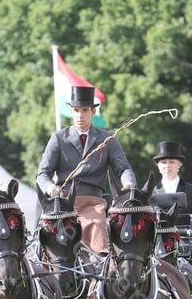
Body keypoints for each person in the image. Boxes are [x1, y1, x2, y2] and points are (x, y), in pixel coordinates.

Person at [36, 86, 137, 255]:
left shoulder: (108, 139)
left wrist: (128, 184)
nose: (80, 115)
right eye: (76, 110)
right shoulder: (58, 138)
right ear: (71, 111)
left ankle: (99, 266)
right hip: (63, 203)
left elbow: (124, 168)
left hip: (93, 204)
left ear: (93, 111)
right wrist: (51, 188)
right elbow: (42, 174)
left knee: (97, 227)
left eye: (84, 110)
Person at [151, 140, 192, 272]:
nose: (167, 166)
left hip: (185, 245)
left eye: (171, 162)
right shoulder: (151, 193)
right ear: (158, 166)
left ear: (179, 164)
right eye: (163, 162)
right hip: (158, 246)